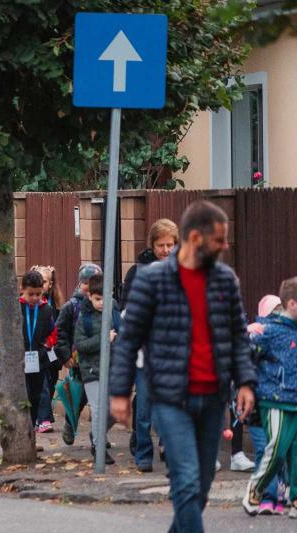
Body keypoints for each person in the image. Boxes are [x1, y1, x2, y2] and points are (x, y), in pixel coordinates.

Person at [111, 200, 256, 533]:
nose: (225, 246)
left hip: (213, 398)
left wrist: (246, 382)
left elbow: (238, 336)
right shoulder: (152, 280)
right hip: (171, 399)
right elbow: (129, 339)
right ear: (194, 238)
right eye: (218, 239)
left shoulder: (224, 280)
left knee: (200, 488)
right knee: (187, 481)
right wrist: (119, 392)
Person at [122, 218, 178, 472]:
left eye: (170, 245)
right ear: (152, 245)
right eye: (160, 245)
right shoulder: (138, 272)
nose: (165, 250)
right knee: (144, 406)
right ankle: (143, 453)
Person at [242, 278, 297, 518]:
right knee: (276, 450)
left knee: (295, 453)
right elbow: (245, 354)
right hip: (275, 399)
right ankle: (257, 489)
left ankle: (295, 498)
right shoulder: (269, 330)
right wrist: (245, 387)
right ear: (292, 303)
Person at [74, 273, 121, 465]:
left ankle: (97, 434)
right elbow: (80, 345)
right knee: (98, 408)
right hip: (91, 369)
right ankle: (98, 446)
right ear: (90, 296)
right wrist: (103, 339)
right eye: (97, 299)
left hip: (112, 367)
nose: (101, 303)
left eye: (105, 298)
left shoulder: (114, 311)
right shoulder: (84, 317)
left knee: (115, 410)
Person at [54, 263, 103, 445]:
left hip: (102, 359)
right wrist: (65, 355)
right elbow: (60, 332)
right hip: (80, 360)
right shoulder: (71, 307)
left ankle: (100, 435)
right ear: (80, 283)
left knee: (102, 399)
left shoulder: (105, 304)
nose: (89, 287)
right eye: (86, 283)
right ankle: (70, 421)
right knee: (81, 396)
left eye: (94, 283)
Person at [19, 270, 58, 430]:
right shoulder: (17, 307)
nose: (35, 298)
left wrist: (47, 346)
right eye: (31, 294)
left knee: (36, 393)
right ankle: (23, 424)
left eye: (38, 294)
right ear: (22, 290)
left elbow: (53, 332)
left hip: (39, 358)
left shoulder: (46, 309)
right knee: (23, 393)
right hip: (19, 358)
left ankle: (34, 423)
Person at [30, 265, 64, 433]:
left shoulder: (56, 306)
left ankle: (40, 415)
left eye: (43, 281)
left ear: (50, 284)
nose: (40, 284)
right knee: (40, 384)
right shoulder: (29, 304)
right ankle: (44, 419)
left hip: (52, 353)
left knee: (50, 384)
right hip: (36, 351)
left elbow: (61, 329)